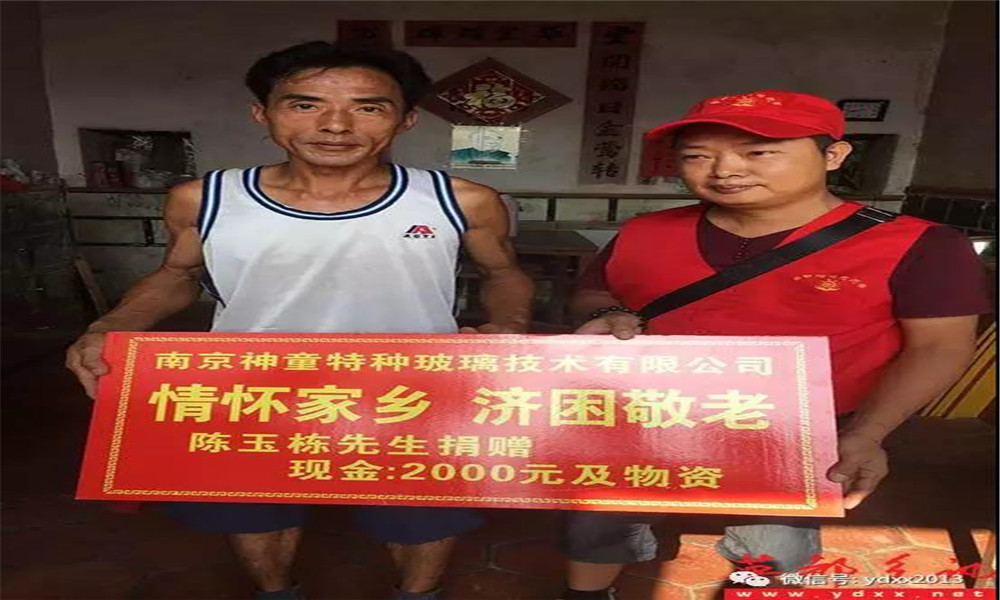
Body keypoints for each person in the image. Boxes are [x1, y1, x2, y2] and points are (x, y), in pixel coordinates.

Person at [65, 41, 534, 600]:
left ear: (406, 119)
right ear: (262, 113)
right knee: (254, 509)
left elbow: (503, 274)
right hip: (252, 390)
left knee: (421, 512)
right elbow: (177, 275)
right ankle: (278, 593)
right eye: (305, 104)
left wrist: (509, 328)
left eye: (368, 107)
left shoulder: (461, 199)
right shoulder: (204, 198)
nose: (335, 125)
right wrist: (108, 327)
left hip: (410, 394)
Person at [561, 90, 990, 599]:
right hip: (651, 416)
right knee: (599, 519)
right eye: (698, 155)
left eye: (759, 152)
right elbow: (595, 292)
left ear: (834, 155)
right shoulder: (644, 231)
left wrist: (869, 432)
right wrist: (603, 314)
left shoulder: (920, 244)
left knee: (774, 543)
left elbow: (938, 347)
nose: (724, 169)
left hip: (802, 432)